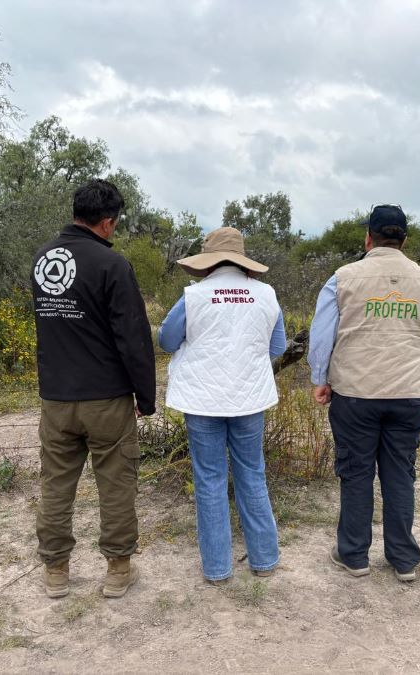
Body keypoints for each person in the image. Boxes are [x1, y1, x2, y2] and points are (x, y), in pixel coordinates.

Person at [307, 204, 420, 582]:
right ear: (404, 240)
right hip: (410, 393)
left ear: (368, 237)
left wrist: (320, 377)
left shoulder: (342, 278)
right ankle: (404, 560)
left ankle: (354, 555)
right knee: (400, 474)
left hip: (355, 394)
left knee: (356, 473)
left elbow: (321, 335)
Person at [31, 179, 155, 600]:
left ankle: (55, 572)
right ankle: (118, 571)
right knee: (116, 485)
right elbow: (132, 337)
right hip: (106, 398)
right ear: (107, 223)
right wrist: (146, 397)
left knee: (55, 485)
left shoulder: (43, 259)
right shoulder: (112, 264)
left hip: (56, 399)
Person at [158, 227, 286, 584]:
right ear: (243, 261)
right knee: (252, 474)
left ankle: (217, 569)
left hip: (202, 400)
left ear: (208, 262)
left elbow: (166, 340)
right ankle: (264, 559)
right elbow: (277, 346)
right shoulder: (266, 295)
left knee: (210, 480)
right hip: (250, 399)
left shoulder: (194, 295)